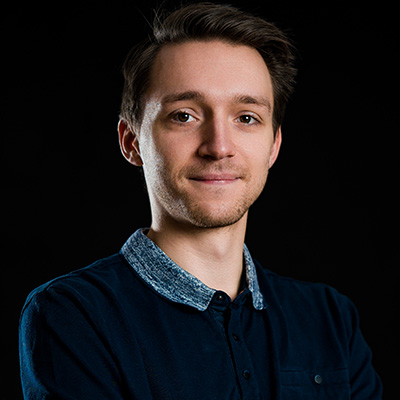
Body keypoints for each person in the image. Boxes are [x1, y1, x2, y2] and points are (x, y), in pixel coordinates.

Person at [19, 2, 382, 399]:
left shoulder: (330, 319)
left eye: (246, 117)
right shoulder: (73, 315)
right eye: (184, 116)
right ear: (132, 141)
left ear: (274, 146)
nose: (219, 147)